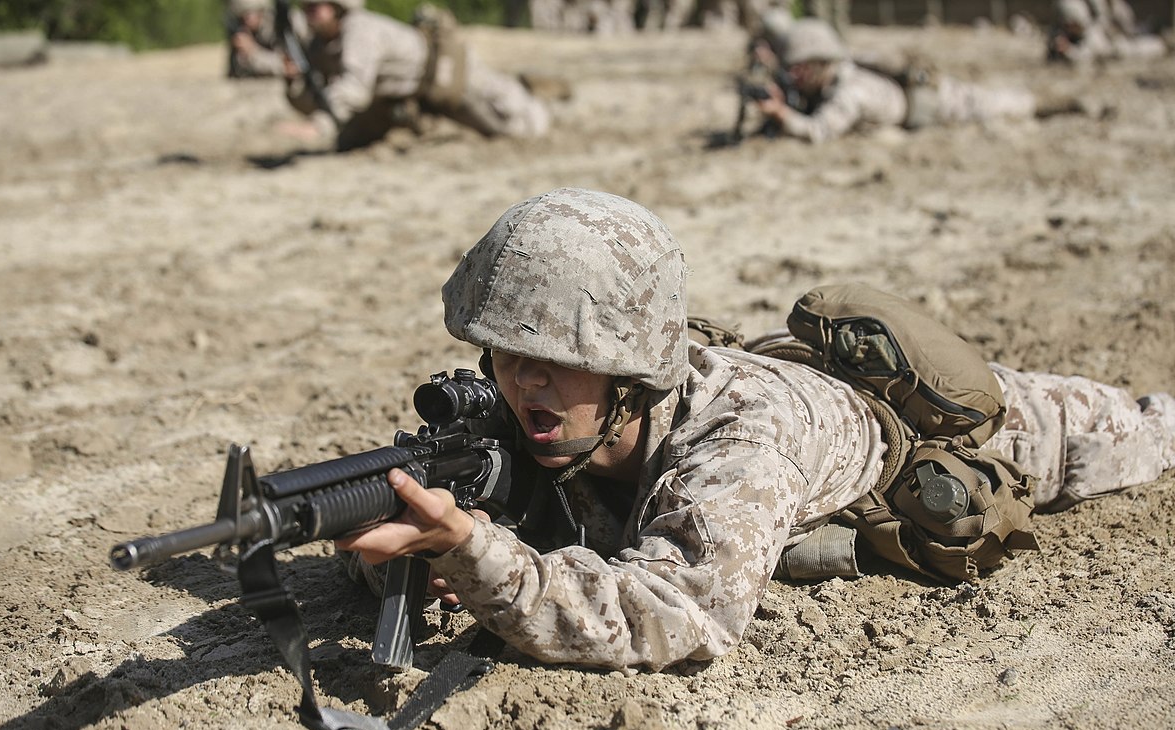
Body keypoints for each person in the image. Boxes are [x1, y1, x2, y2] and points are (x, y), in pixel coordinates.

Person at [335, 187, 1175, 672]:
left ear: (632, 370)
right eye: (507, 354)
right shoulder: (538, 415)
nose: (524, 381)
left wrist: (485, 558)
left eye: (556, 357)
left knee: (1147, 432)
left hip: (989, 437)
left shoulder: (743, 443)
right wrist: (412, 552)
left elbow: (676, 615)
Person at [280, 1, 552, 151]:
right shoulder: (320, 45)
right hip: (407, 96)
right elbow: (318, 99)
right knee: (348, 143)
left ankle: (536, 92)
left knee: (522, 124)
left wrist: (319, 126)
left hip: (447, 74)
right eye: (306, 8)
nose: (311, 11)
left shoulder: (359, 31)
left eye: (317, 6)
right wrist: (295, 83)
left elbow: (354, 89)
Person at [754, 19, 1046, 143]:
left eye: (800, 69)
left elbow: (819, 131)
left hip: (938, 103)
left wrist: (782, 113)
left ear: (820, 62)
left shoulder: (851, 93)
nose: (795, 76)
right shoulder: (836, 76)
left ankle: (1046, 104)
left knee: (1002, 104)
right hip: (915, 100)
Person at [1046, 0, 1168, 65]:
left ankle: (1160, 42)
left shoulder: (1092, 34)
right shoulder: (1061, 31)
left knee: (1128, 48)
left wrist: (1068, 51)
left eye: (1072, 24)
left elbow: (1086, 56)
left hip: (1115, 48)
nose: (1068, 27)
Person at [226, 0, 293, 79]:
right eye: (241, 16)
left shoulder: (279, 26)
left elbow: (289, 67)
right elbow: (237, 71)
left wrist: (252, 51)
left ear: (261, 11)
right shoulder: (246, 31)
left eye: (248, 13)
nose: (245, 19)